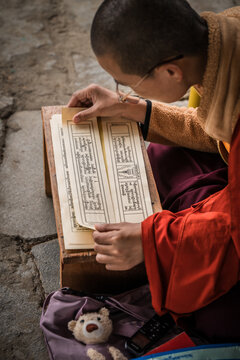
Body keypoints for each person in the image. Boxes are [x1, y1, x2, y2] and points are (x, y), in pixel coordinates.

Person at [67, 0, 240, 342]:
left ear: (171, 71)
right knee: (164, 153)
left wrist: (153, 243)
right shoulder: (225, 40)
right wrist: (131, 108)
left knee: (218, 319)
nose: (124, 91)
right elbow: (216, 130)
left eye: (126, 84)